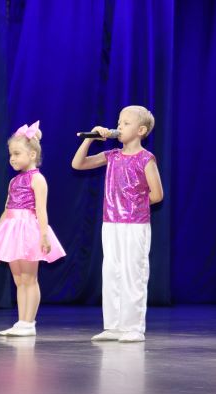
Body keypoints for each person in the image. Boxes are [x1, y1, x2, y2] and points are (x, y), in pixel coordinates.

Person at [72, 106, 163, 343]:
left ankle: (133, 327)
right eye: (119, 122)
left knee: (134, 272)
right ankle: (113, 326)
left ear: (141, 130)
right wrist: (91, 139)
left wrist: (134, 206)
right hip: (111, 222)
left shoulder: (146, 159)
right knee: (112, 272)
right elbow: (78, 164)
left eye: (126, 123)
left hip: (135, 224)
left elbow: (157, 194)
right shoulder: (111, 156)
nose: (119, 127)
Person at [0, 121, 66, 336]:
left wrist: (44, 235)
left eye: (17, 153)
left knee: (29, 279)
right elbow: (6, 209)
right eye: (11, 154)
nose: (12, 158)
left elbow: (41, 210)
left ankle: (29, 323)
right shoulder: (13, 181)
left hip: (28, 231)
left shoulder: (38, 179)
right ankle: (21, 321)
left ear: (32, 155)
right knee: (19, 280)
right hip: (11, 230)